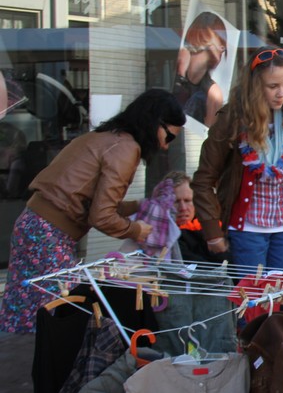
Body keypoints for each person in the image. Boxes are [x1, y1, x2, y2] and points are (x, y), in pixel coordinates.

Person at [0, 89, 185, 333]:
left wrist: (140, 206)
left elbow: (97, 204)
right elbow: (102, 216)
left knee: (22, 310)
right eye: (168, 137)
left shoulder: (105, 137)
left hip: (33, 223)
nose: (164, 146)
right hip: (49, 234)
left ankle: (15, 355)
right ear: (154, 122)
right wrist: (135, 230)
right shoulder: (126, 148)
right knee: (64, 311)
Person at [192, 47, 283, 270]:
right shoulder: (231, 119)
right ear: (255, 86)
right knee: (253, 290)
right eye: (273, 86)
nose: (281, 93)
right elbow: (203, 180)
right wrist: (212, 231)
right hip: (246, 229)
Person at [173, 11, 228, 127]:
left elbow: (209, 133)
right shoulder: (177, 69)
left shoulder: (213, 93)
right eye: (219, 37)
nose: (222, 48)